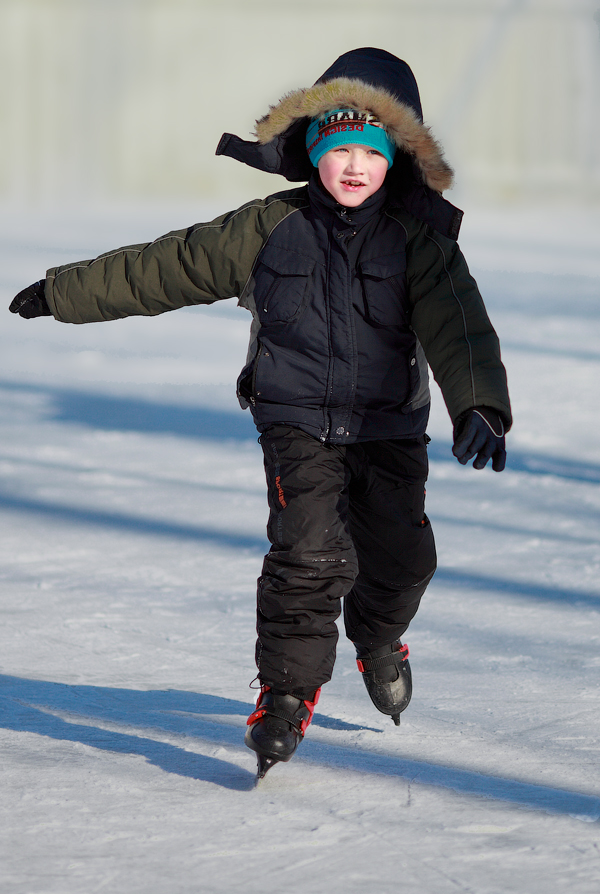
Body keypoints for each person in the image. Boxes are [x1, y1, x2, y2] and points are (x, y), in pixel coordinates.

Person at [10, 48, 511, 778]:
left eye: (369, 152)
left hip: (388, 427)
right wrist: (66, 292)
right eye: (337, 149)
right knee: (307, 557)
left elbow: (460, 328)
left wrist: (480, 405)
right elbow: (169, 265)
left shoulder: (420, 244)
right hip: (295, 421)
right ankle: (286, 694)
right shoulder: (269, 227)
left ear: (396, 160)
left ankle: (377, 637)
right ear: (313, 151)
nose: (351, 166)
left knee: (404, 563)